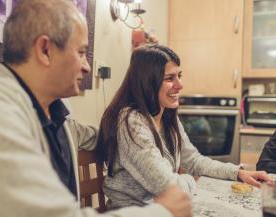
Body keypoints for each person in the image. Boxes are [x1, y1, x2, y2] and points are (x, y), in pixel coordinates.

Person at [0, 1, 192, 217]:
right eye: (81, 53)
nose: (87, 66)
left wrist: (131, 136)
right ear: (45, 50)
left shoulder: (55, 110)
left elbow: (94, 136)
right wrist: (162, 211)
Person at [95, 44, 271, 209]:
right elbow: (168, 187)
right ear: (148, 82)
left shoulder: (167, 117)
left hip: (164, 210)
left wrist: (237, 173)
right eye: (170, 78)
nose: (180, 85)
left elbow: (193, 160)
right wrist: (190, 179)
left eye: (179, 76)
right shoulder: (130, 121)